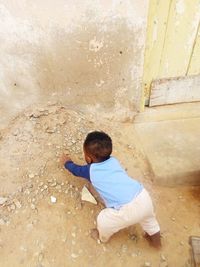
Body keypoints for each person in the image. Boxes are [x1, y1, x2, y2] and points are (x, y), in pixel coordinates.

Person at [61, 131, 161, 248]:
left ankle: (102, 237)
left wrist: (67, 162)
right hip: (143, 197)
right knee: (150, 221)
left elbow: (75, 170)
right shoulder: (114, 161)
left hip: (126, 209)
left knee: (103, 220)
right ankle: (157, 244)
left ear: (88, 157)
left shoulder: (90, 171)